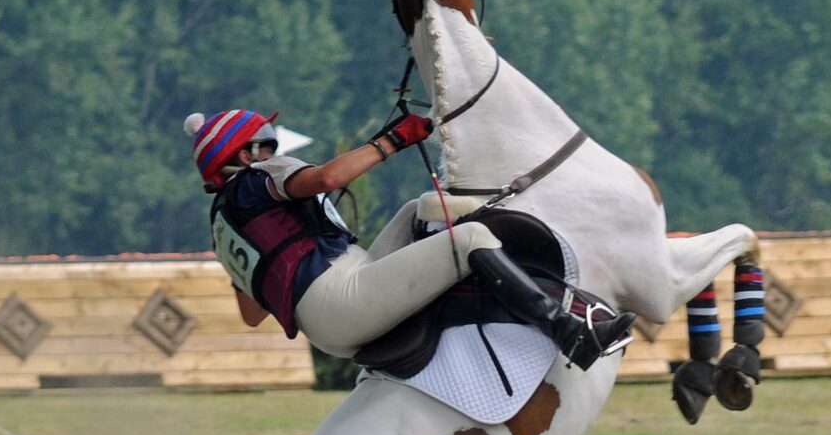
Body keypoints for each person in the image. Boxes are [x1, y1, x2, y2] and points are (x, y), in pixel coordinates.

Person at [185, 108, 634, 369]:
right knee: (468, 237)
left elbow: (250, 315)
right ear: (244, 155)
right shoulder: (257, 175)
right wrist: (391, 141)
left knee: (418, 209)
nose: (273, 152)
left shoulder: (223, 227)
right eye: (265, 146)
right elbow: (327, 177)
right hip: (341, 294)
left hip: (328, 319)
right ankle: (570, 333)